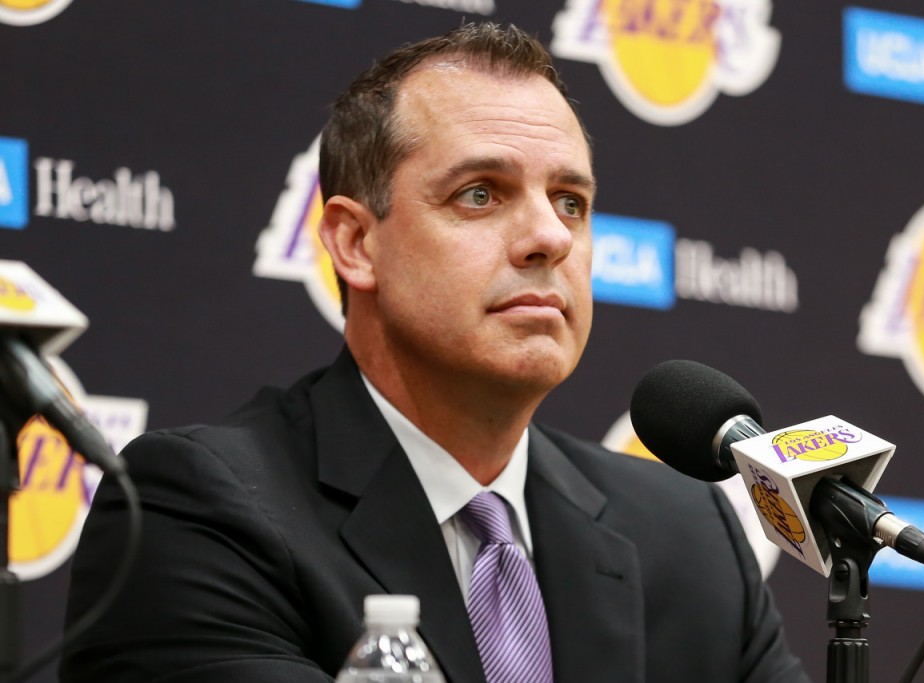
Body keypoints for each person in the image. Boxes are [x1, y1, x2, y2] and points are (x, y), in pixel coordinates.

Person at [61, 23, 812, 683]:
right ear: (355, 243)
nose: (549, 236)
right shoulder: (199, 510)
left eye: (571, 202)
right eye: (481, 194)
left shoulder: (688, 537)